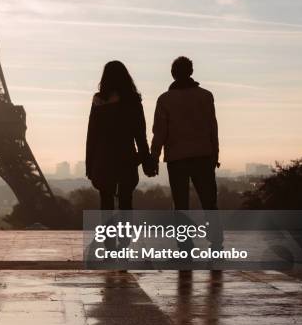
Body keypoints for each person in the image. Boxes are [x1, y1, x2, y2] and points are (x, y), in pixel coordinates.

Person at [150, 56, 220, 210]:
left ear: (172, 73)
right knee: (209, 204)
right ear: (191, 72)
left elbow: (159, 132)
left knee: (181, 206)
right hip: (203, 156)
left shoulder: (164, 100)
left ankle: (184, 234)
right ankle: (214, 234)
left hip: (176, 158)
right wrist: (215, 155)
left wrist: (154, 158)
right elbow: (212, 129)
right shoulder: (206, 96)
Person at [86, 61, 155, 210]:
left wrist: (89, 164)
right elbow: (140, 135)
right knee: (126, 202)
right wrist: (146, 160)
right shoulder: (133, 101)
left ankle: (107, 233)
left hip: (103, 157)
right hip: (126, 156)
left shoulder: (98, 101)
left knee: (106, 201)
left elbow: (92, 135)